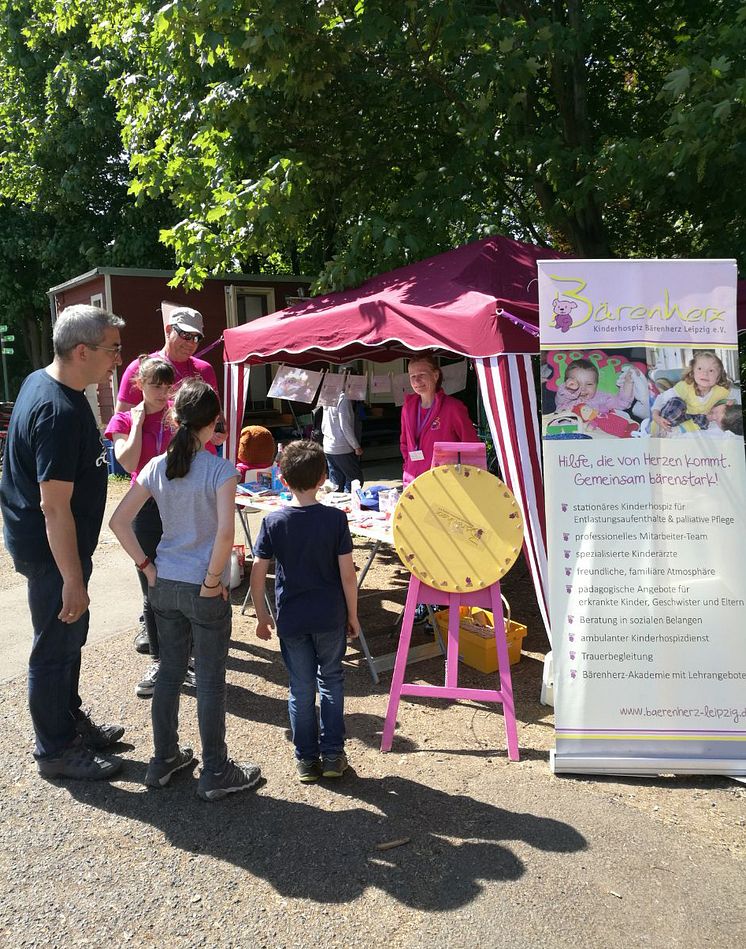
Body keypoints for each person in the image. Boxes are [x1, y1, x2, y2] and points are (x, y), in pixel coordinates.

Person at [109, 379, 261, 799]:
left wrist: (147, 566)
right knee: (210, 681)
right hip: (202, 586)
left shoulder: (156, 465)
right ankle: (215, 770)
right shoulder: (220, 470)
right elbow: (224, 534)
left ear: (176, 418)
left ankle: (163, 760)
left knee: (171, 673)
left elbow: (118, 522)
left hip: (165, 584)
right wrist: (214, 582)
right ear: (213, 424)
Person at [0, 305, 126, 780]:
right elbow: (54, 507)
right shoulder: (55, 410)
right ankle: (54, 749)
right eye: (112, 349)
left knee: (70, 637)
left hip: (58, 548)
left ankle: (68, 721)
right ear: (81, 351)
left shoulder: (49, 383)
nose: (117, 358)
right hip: (52, 551)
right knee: (55, 645)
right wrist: (72, 578)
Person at [249, 440, 361, 783]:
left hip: (292, 618)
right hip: (329, 615)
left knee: (300, 687)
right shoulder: (334, 520)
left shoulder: (274, 520)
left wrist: (261, 612)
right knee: (331, 682)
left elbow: (258, 569)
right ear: (324, 477)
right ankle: (332, 755)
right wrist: (353, 616)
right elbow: (348, 575)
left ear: (282, 479)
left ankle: (305, 760)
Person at [115, 306, 219, 652]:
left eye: (196, 337)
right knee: (152, 571)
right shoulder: (140, 369)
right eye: (184, 334)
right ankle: (158, 638)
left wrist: (215, 435)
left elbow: (213, 421)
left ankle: (190, 639)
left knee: (191, 560)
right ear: (167, 329)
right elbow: (122, 424)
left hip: (190, 485)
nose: (190, 342)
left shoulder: (203, 371)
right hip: (150, 486)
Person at [105, 356, 196, 697]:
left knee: (184, 579)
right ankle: (160, 660)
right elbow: (126, 461)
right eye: (155, 384)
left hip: (178, 506)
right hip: (144, 507)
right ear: (139, 385)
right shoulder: (124, 418)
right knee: (152, 583)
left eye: (167, 385)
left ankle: (187, 660)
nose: (162, 392)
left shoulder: (179, 417)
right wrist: (140, 422)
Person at [400, 353, 478, 486]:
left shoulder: (453, 407)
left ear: (435, 375)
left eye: (422, 375)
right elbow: (404, 443)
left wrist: (468, 481)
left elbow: (472, 446)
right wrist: (408, 466)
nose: (417, 381)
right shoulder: (407, 408)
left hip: (445, 483)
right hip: (413, 482)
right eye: (412, 376)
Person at [652, 352, 731, 436]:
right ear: (693, 373)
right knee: (677, 402)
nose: (705, 373)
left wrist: (729, 402)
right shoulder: (685, 387)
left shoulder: (721, 391)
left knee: (704, 420)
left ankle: (675, 431)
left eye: (711, 370)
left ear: (718, 377)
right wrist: (656, 416)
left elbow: (724, 401)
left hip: (690, 419)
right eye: (700, 368)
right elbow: (661, 398)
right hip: (669, 417)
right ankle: (661, 429)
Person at [555, 358, 635, 415]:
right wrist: (570, 389)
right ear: (567, 383)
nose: (583, 389)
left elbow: (621, 403)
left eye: (589, 384)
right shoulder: (565, 399)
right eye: (576, 384)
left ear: (596, 385)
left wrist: (628, 384)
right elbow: (562, 395)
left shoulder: (601, 398)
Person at [322, 390, 363, 491]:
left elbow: (323, 423)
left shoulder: (328, 396)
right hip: (342, 446)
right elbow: (345, 425)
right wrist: (356, 446)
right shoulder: (343, 398)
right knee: (355, 481)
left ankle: (336, 504)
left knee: (336, 482)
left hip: (328, 444)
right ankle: (349, 502)